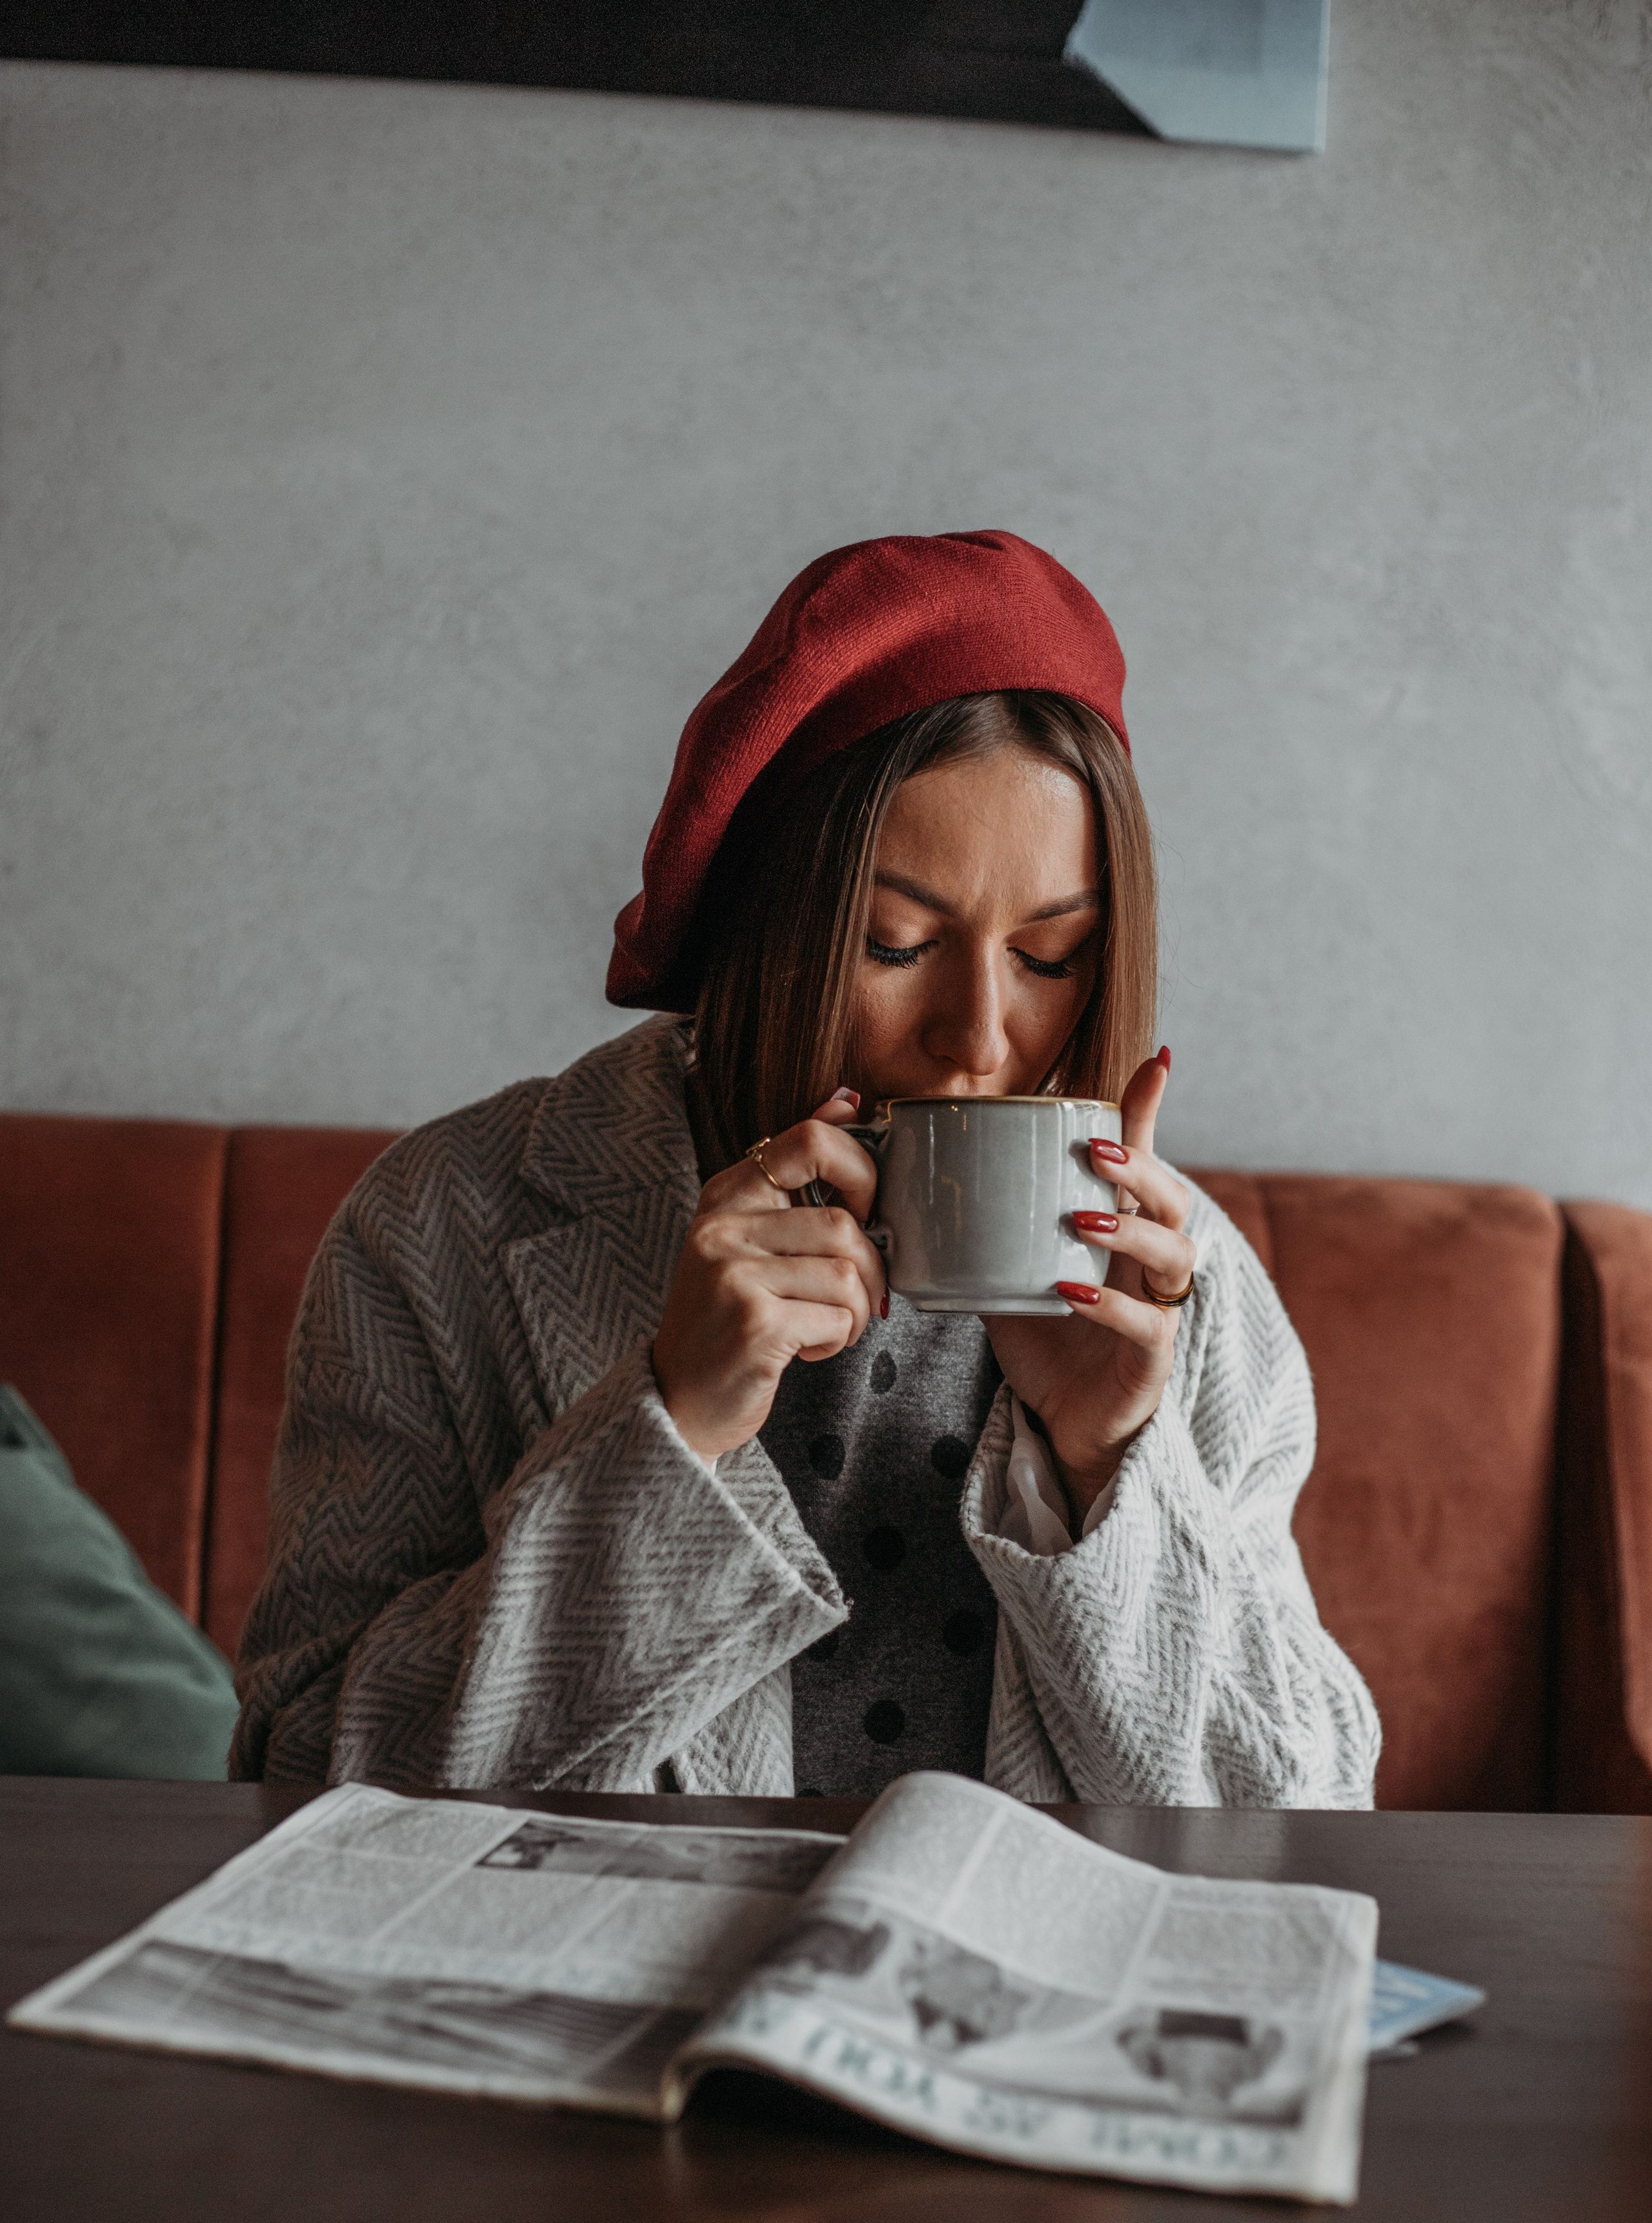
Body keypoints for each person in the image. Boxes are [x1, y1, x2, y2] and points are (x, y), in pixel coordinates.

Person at [231, 530, 1380, 1808]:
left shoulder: (1178, 1289)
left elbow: (1301, 1811)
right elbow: (297, 1774)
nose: (979, 1036)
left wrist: (1113, 1463)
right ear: (763, 928)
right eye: (895, 945)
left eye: (1048, 958)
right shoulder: (440, 1227)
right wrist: (669, 1431)